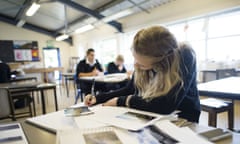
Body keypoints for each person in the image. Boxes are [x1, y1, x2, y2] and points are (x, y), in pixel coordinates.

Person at [84, 26, 201, 122]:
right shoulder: (144, 54)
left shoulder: (185, 56)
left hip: (184, 117)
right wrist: (99, 98)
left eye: (141, 64)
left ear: (160, 62)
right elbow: (129, 90)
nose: (135, 66)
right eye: (135, 59)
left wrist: (122, 101)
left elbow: (165, 105)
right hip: (153, 114)